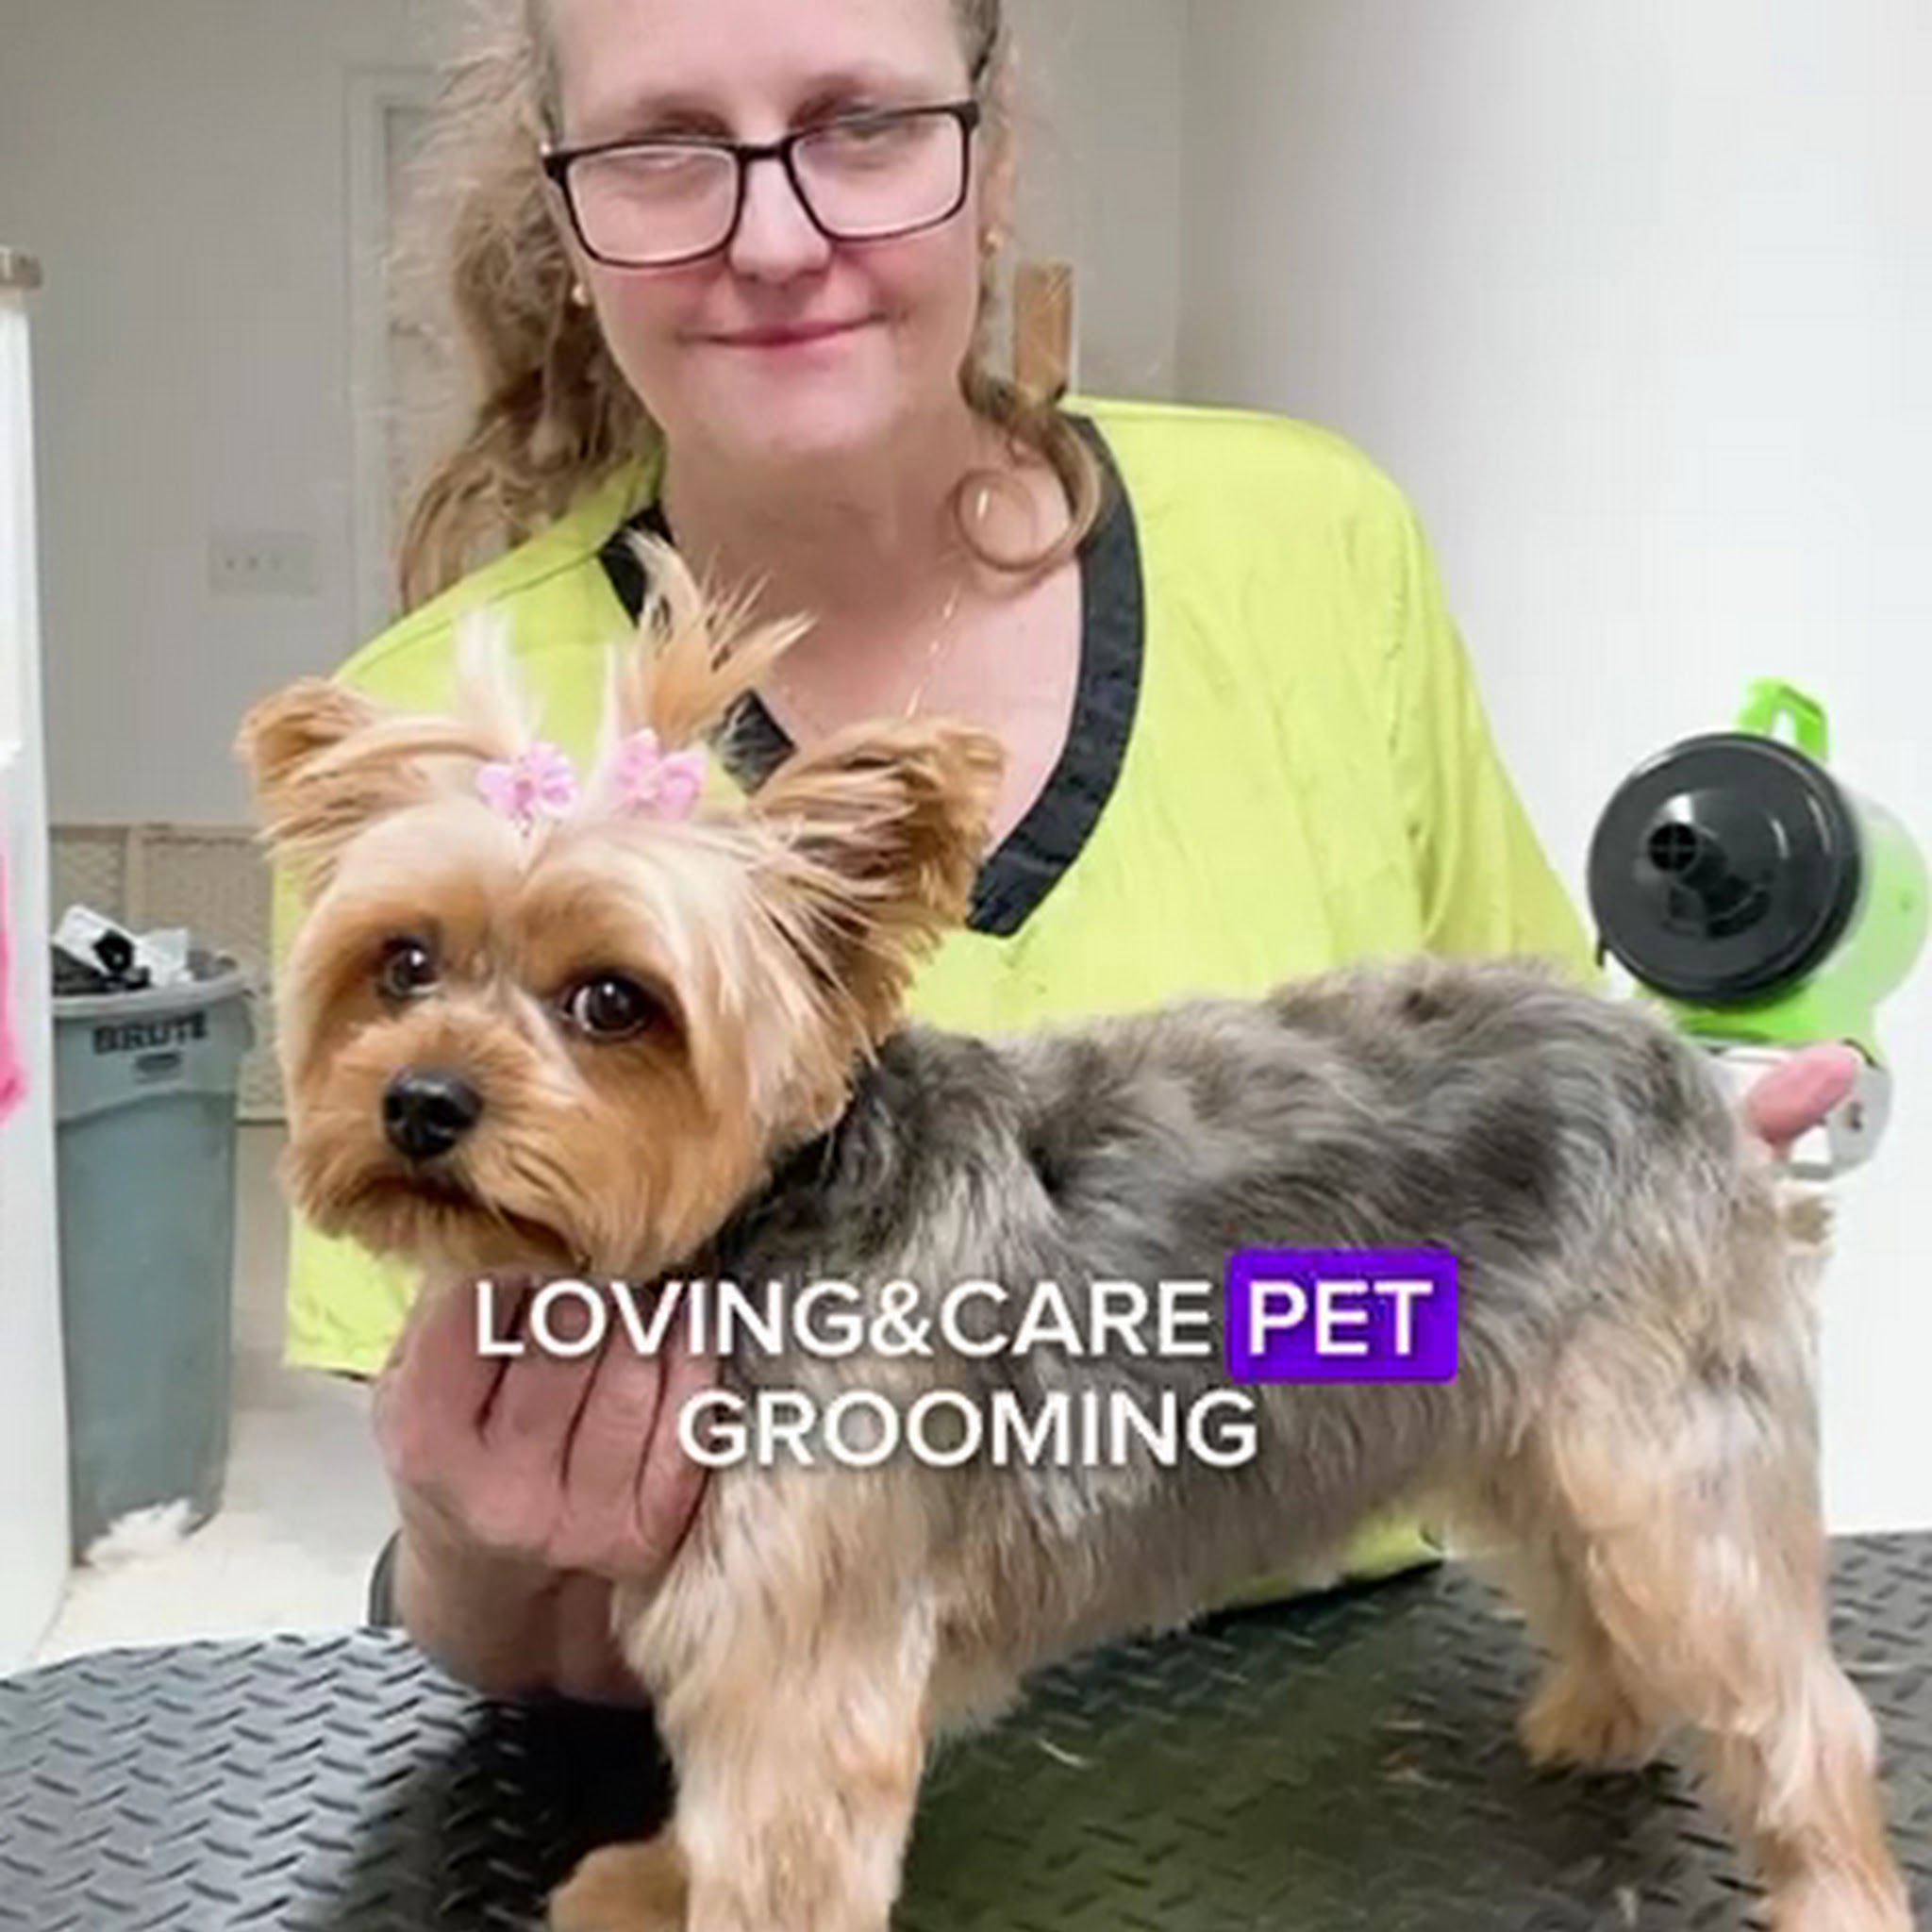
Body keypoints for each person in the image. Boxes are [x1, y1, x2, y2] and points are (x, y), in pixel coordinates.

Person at [275, 0, 1858, 1705]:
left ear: (995, 157)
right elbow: (497, 1619)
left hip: (1371, 1701)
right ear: (566, 214)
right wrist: (471, 1548)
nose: (776, 237)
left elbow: (1476, 1224)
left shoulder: (1316, 551)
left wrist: (1625, 1223)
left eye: (860, 125)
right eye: (666, 149)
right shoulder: (422, 749)